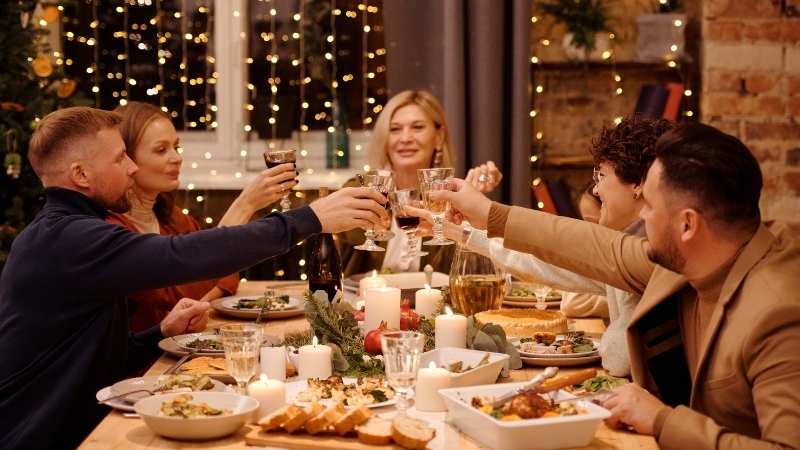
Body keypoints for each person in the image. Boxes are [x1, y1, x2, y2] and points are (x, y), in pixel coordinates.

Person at [0, 107, 387, 449]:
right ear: (81, 175)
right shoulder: (68, 238)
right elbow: (179, 256)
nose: (132, 168)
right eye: (120, 159)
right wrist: (310, 218)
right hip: (44, 435)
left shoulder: (68, 231)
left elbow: (80, 352)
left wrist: (157, 335)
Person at [429, 123, 800, 448]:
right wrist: (489, 215)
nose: (641, 216)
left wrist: (663, 421)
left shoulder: (778, 313)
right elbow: (593, 247)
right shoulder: (696, 257)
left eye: (650, 207)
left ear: (688, 225)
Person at [410, 115, 675, 375]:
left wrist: (490, 214)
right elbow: (548, 260)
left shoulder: (658, 253)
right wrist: (464, 232)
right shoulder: (634, 242)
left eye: (601, 176)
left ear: (638, 183)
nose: (595, 189)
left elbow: (619, 357)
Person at [107, 102, 297, 333]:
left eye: (176, 147)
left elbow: (226, 269)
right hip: (145, 365)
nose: (177, 158)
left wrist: (195, 302)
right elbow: (172, 293)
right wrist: (246, 204)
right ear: (126, 159)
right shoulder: (111, 231)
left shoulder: (174, 219)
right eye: (161, 150)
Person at [336, 90, 504, 277]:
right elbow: (345, 230)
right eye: (395, 129)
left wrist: (472, 206)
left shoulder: (451, 199)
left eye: (417, 127)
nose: (405, 138)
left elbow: (461, 270)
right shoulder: (361, 190)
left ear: (439, 137)